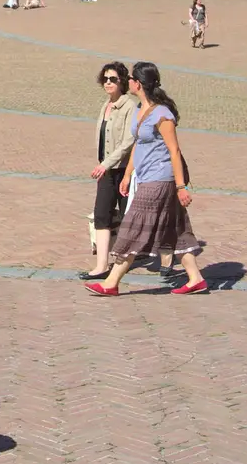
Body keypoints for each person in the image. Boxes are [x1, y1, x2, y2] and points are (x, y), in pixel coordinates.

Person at [83, 62, 208, 296]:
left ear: (137, 83)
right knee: (176, 229)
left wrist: (181, 186)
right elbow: (138, 145)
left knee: (133, 226)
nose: (126, 81)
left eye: (130, 78)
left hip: (161, 179)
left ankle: (111, 283)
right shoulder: (141, 108)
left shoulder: (162, 114)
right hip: (146, 176)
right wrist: (128, 173)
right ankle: (196, 279)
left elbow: (174, 151)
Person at [79, 62, 139, 281]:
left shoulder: (129, 106)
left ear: (122, 81)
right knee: (101, 216)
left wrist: (106, 163)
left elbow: (127, 142)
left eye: (113, 79)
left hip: (123, 171)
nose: (108, 83)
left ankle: (131, 259)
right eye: (105, 79)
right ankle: (101, 265)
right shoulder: (105, 105)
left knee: (127, 218)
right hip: (106, 170)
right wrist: (103, 163)